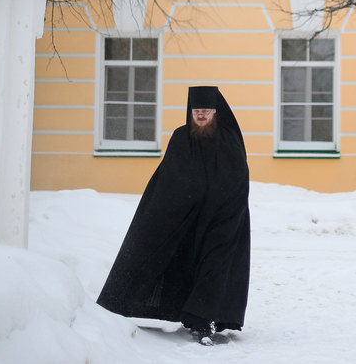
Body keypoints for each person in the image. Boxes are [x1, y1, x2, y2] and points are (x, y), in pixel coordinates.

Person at [96, 86, 251, 346]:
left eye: (206, 111)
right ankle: (131, 307)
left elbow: (238, 179)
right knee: (179, 263)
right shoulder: (181, 138)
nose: (201, 115)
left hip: (220, 220)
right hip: (186, 217)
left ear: (215, 112)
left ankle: (205, 322)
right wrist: (181, 203)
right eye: (197, 110)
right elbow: (170, 178)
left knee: (213, 267)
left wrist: (221, 207)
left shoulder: (228, 140)